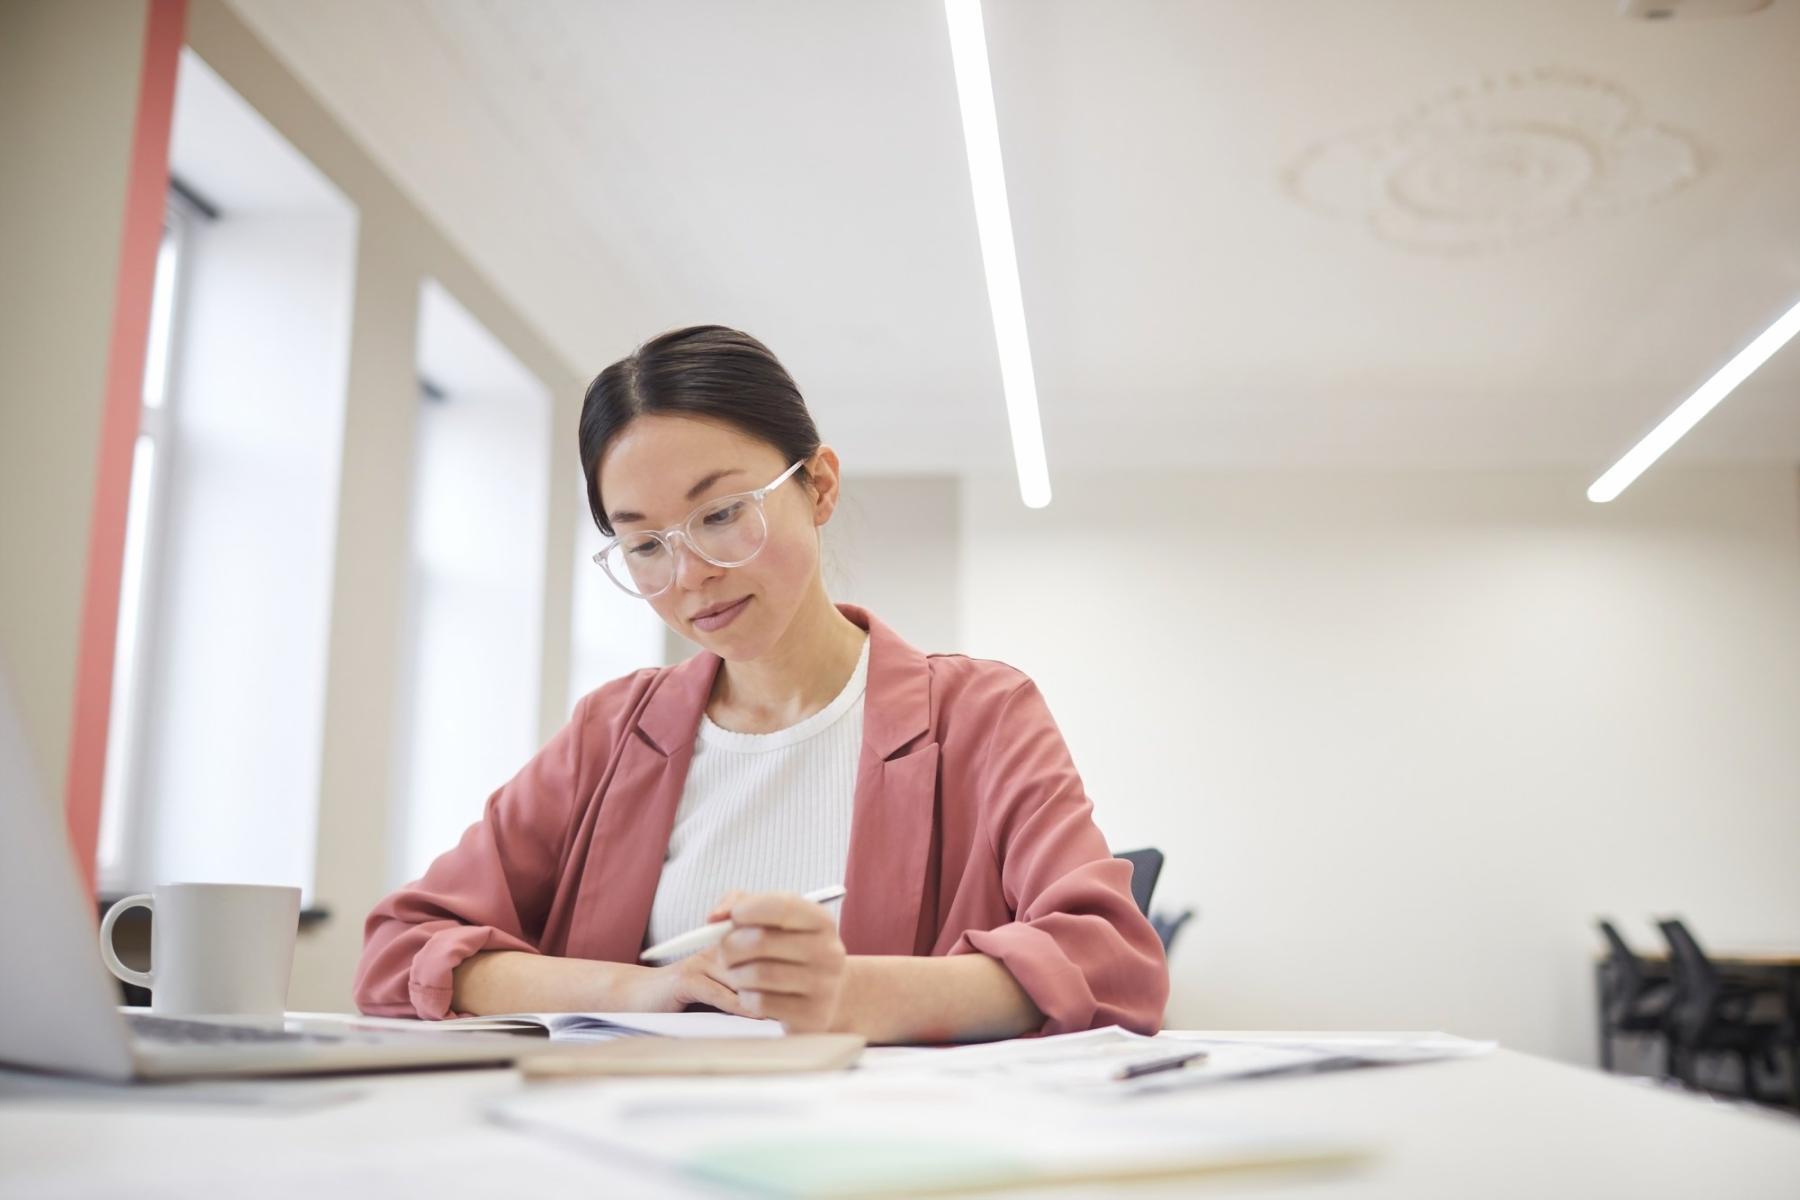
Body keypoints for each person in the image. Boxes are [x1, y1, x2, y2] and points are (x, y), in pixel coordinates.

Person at [352, 325, 1168, 1043]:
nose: (693, 575)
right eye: (645, 546)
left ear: (819, 486)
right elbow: (401, 948)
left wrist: (848, 993)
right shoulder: (612, 731)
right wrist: (645, 989)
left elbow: (1110, 963)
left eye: (722, 513)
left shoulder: (980, 715)